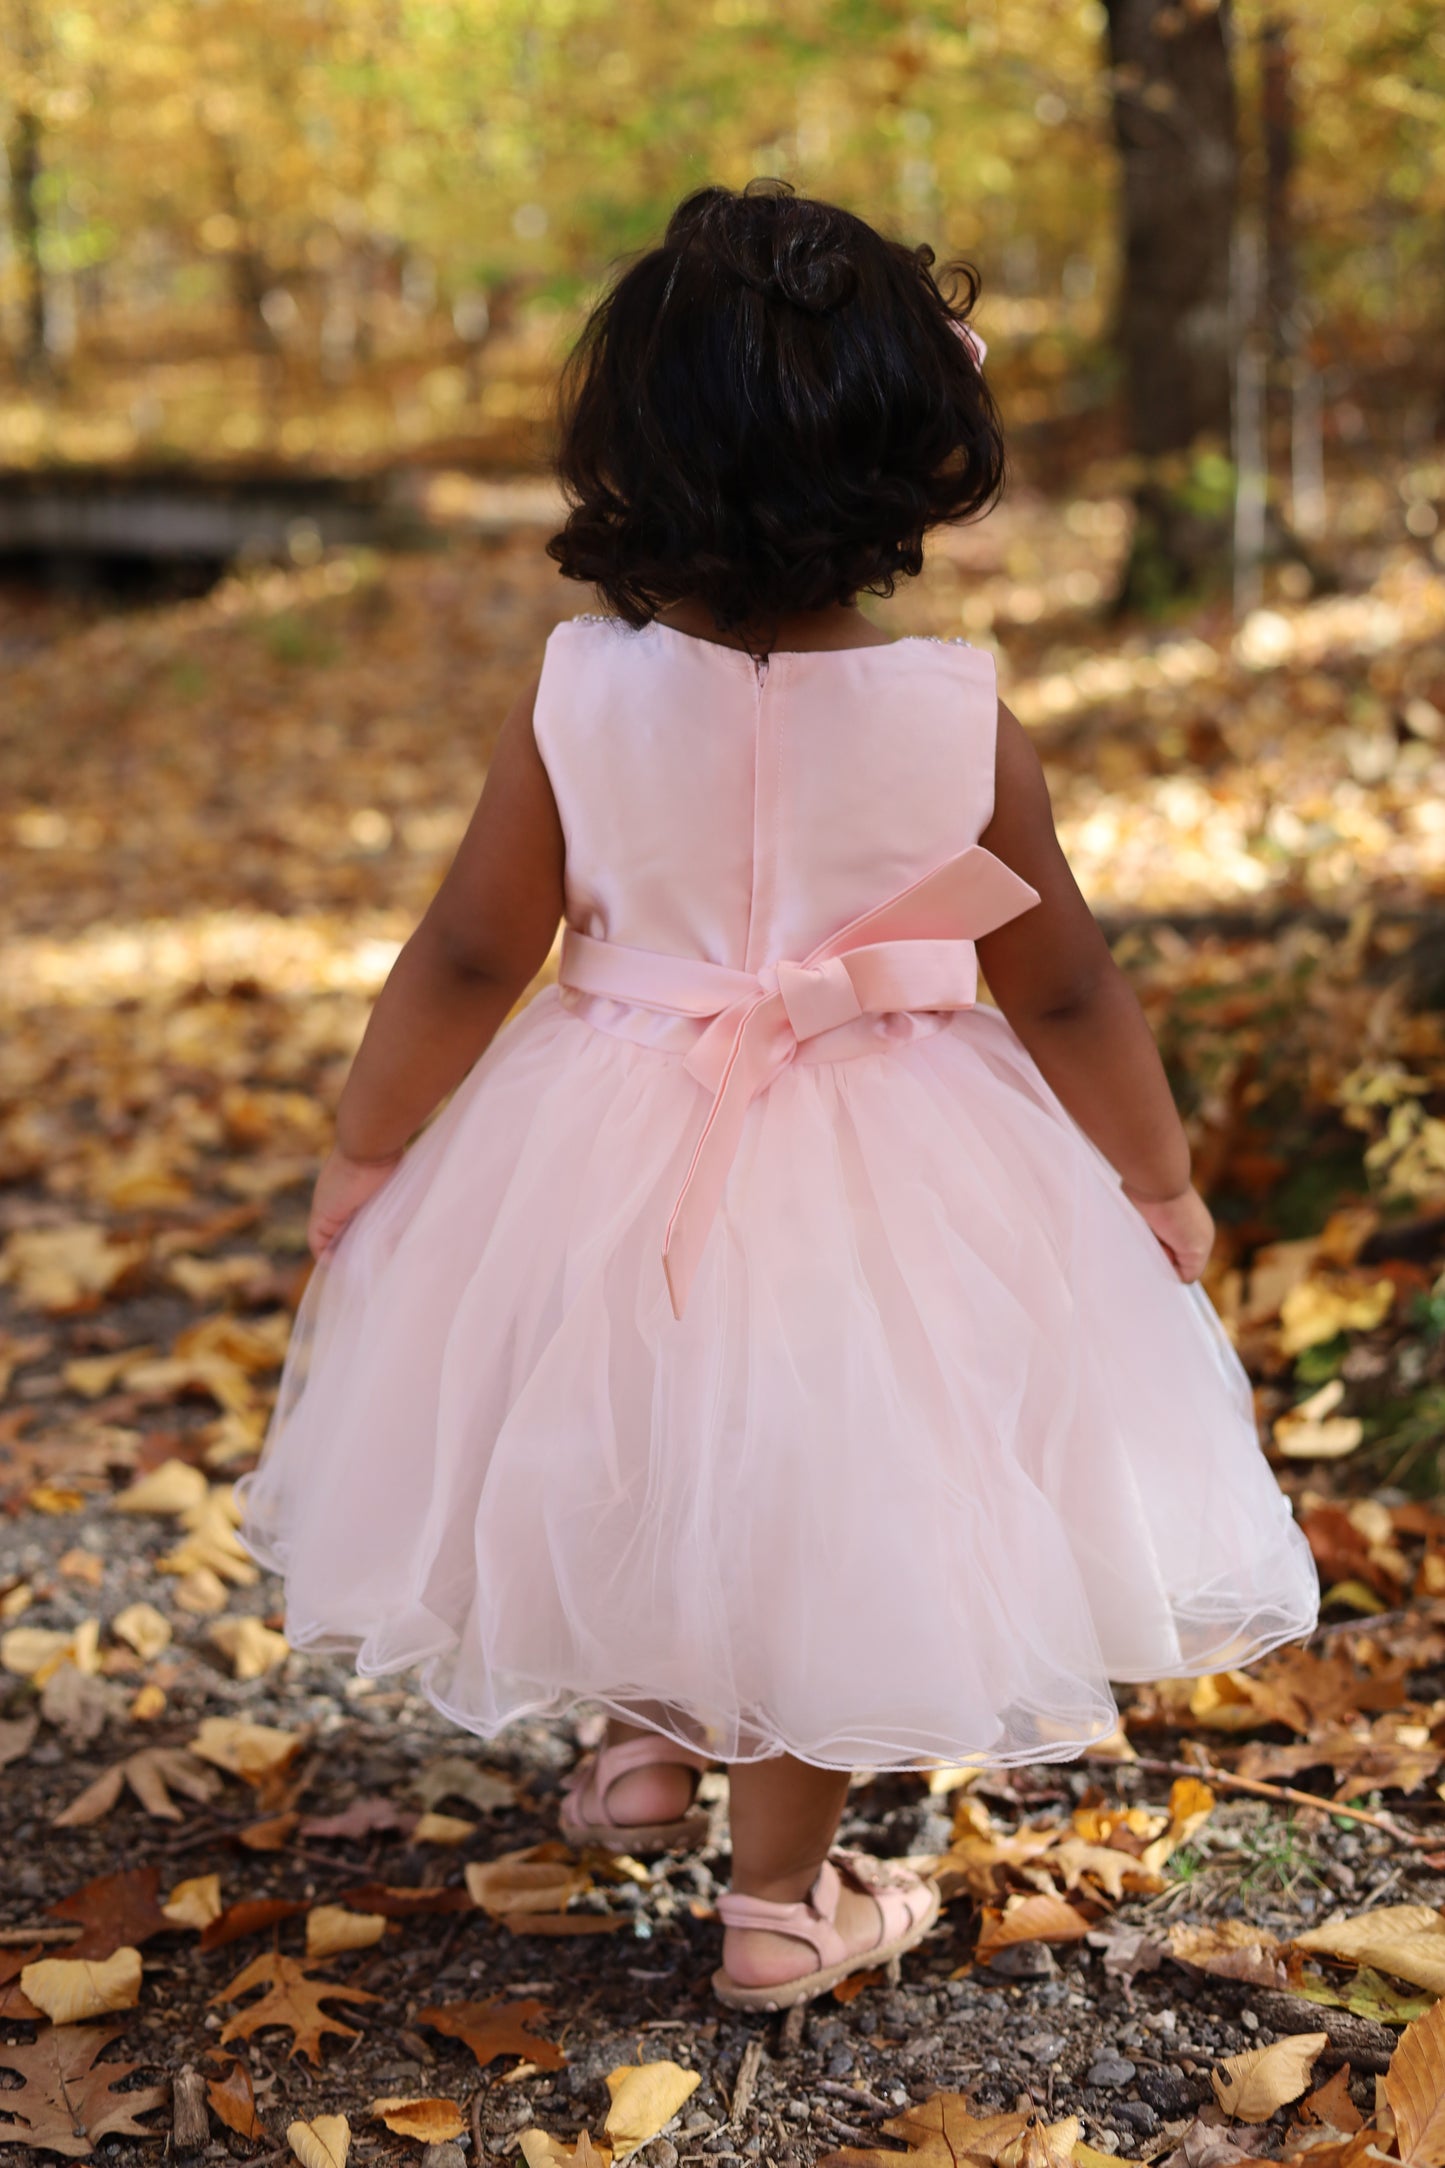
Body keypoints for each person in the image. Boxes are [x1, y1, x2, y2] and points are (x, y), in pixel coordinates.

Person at [237, 179, 1319, 2013]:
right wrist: (1156, 1182)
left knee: (636, 1425)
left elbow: (467, 959)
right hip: (889, 1146)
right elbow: (1055, 978)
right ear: (918, 451)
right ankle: (775, 1901)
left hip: (602, 1126)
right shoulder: (954, 716)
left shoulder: (580, 694)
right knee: (826, 1490)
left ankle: (657, 1750)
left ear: (632, 451)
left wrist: (371, 1145)